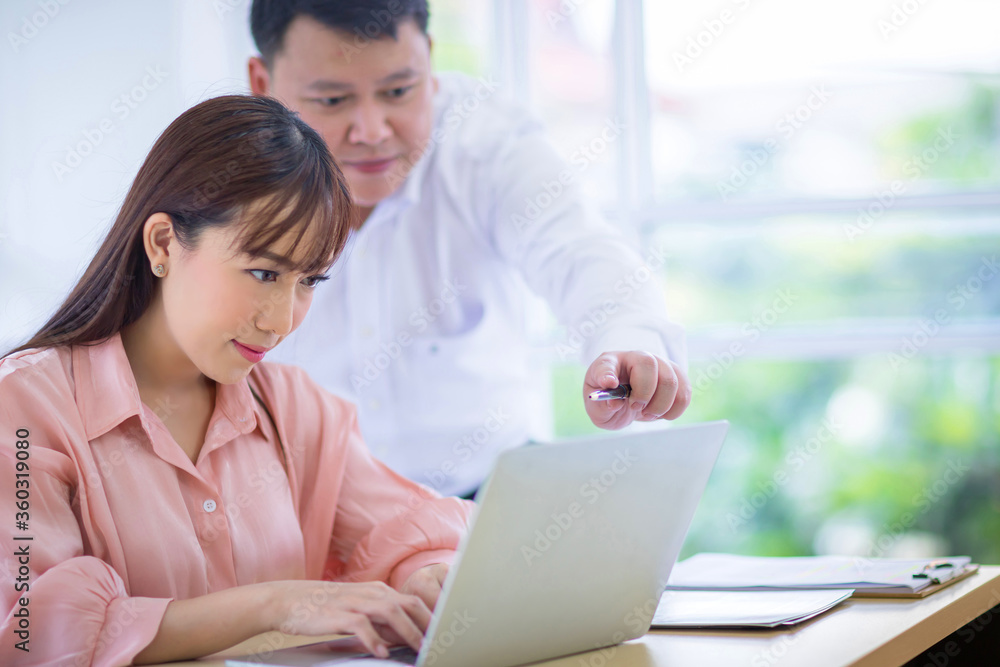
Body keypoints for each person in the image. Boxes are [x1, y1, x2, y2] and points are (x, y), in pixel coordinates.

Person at [0, 95, 473, 666]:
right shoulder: (22, 407)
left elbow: (404, 530)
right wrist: (274, 606)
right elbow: (25, 633)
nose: (282, 321)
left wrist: (426, 575)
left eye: (309, 281)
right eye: (263, 273)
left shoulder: (295, 408)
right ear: (163, 244)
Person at [248, 0, 692, 497]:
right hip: (301, 507)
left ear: (429, 59)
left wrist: (627, 340)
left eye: (398, 91)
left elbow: (580, 251)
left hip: (487, 499)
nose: (372, 131)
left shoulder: (487, 142)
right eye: (332, 100)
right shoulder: (225, 177)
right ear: (262, 82)